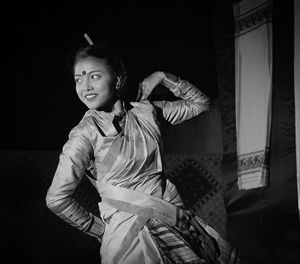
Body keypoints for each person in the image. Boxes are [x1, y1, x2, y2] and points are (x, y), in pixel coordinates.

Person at [46, 40, 241, 264]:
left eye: (94, 76)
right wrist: (99, 230)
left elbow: (201, 104)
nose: (85, 86)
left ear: (117, 79)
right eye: (78, 79)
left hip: (173, 223)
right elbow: (56, 198)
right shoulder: (84, 134)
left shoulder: (146, 112)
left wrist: (162, 76)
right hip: (128, 240)